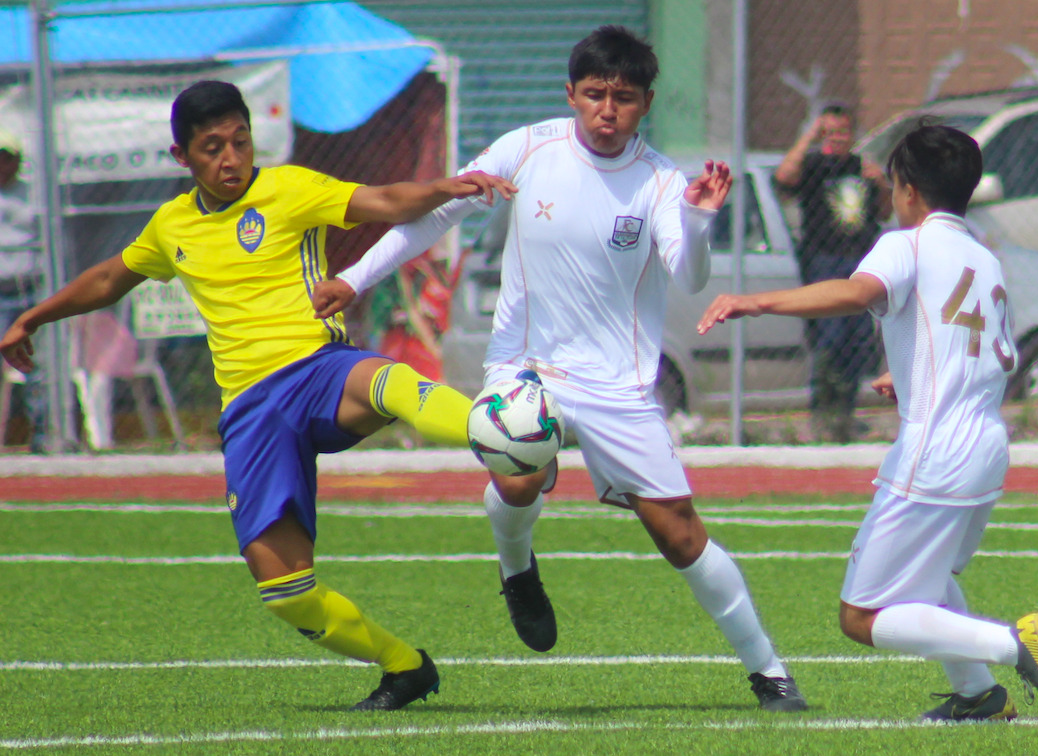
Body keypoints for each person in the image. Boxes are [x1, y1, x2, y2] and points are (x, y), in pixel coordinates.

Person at [312, 25, 807, 712]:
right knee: (518, 484)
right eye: (596, 94)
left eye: (625, 98)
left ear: (647, 103)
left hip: (620, 382)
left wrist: (697, 220)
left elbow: (688, 275)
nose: (608, 110)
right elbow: (435, 215)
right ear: (570, 93)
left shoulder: (661, 179)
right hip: (526, 366)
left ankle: (770, 672)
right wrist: (356, 277)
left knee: (681, 534)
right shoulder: (526, 148)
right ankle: (517, 570)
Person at [0, 80, 516, 711]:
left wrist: (444, 187)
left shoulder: (289, 188)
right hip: (250, 411)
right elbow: (110, 277)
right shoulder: (173, 225)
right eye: (212, 147)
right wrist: (34, 318)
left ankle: (502, 439)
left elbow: (381, 200)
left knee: (390, 383)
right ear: (181, 157)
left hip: (315, 369)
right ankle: (405, 667)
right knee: (287, 590)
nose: (230, 158)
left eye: (239, 142)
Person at [698, 123, 1038, 724]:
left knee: (861, 618)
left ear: (906, 191)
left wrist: (755, 301)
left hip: (935, 451)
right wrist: (903, 378)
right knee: (927, 576)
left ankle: (1013, 647)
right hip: (986, 445)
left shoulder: (906, 244)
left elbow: (859, 293)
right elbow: (980, 350)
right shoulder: (984, 256)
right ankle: (979, 695)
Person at [773, 102, 892, 443]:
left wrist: (881, 184)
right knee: (829, 337)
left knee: (856, 339)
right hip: (824, 260)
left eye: (843, 133)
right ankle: (823, 411)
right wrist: (808, 137)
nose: (837, 140)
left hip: (859, 261)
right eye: (830, 133)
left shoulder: (862, 168)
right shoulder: (812, 166)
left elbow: (883, 214)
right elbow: (784, 178)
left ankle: (846, 414)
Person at [0, 127, 47, 453]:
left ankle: (44, 436)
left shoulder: (34, 195)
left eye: (6, 158)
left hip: (29, 292)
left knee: (37, 366)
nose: (2, 165)